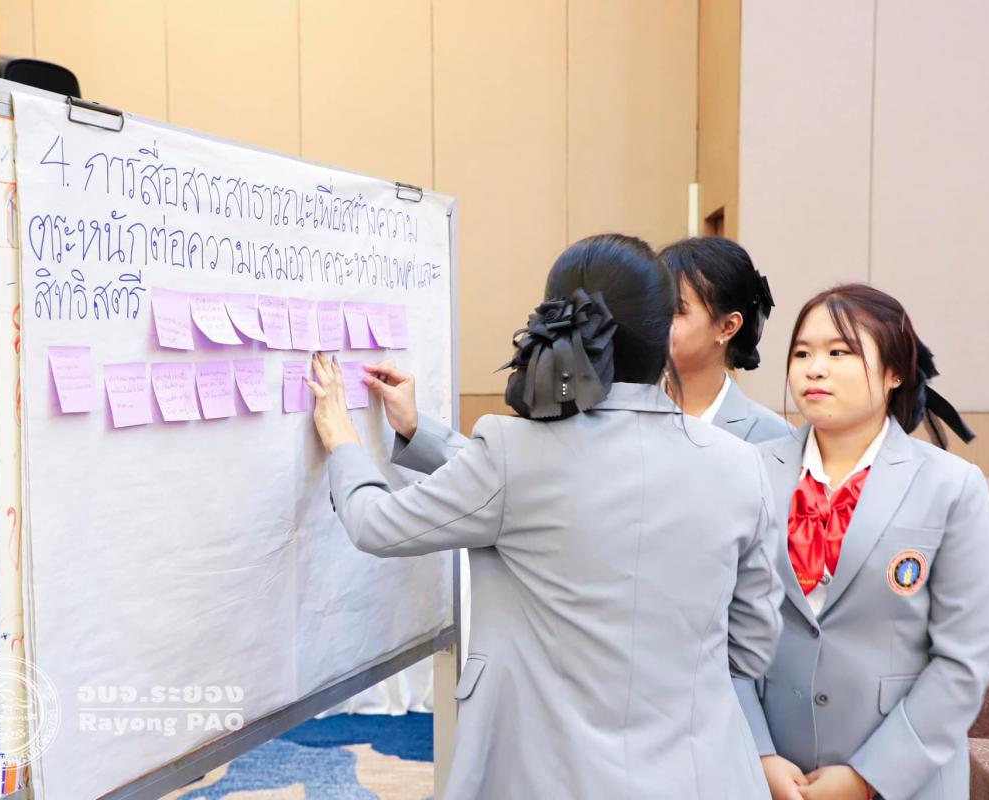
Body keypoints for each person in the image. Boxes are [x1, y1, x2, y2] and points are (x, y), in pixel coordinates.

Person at [306, 233, 784, 799]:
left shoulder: (514, 452)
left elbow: (376, 523)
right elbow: (752, 645)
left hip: (550, 772)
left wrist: (343, 441)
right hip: (705, 774)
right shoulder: (742, 465)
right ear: (661, 333)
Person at [737, 284, 989, 800]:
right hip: (767, 773)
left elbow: (964, 661)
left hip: (904, 779)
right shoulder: (747, 471)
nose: (815, 369)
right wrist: (759, 754)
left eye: (840, 353)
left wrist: (868, 777)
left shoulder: (951, 486)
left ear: (894, 372)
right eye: (802, 353)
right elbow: (718, 629)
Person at [660, 236, 792, 442]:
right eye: (656, 305)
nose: (657, 319)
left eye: (677, 309)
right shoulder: (625, 417)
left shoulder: (774, 437)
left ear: (728, 327)